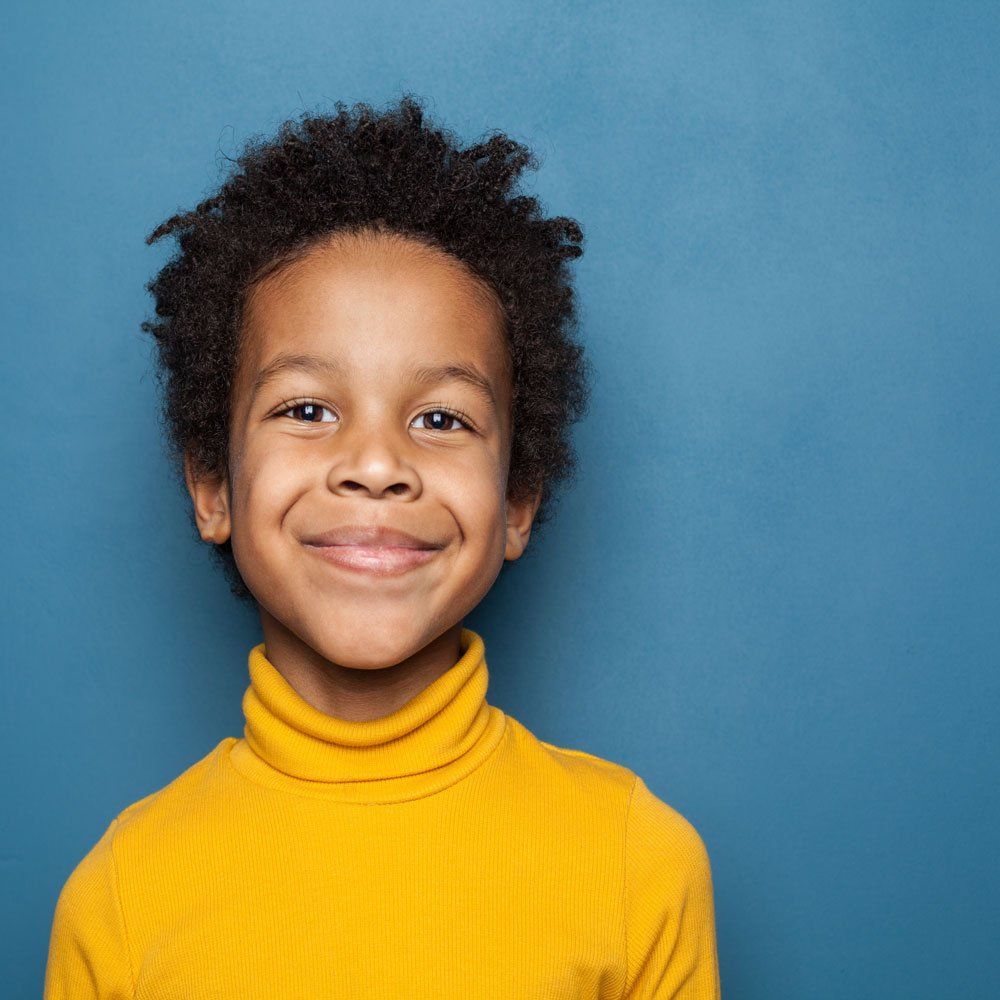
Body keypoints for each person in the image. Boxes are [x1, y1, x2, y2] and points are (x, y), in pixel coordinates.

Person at [43, 93, 721, 998]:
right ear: (213, 488)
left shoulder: (637, 863)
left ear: (516, 502)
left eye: (441, 418)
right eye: (306, 409)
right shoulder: (123, 894)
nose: (375, 465)